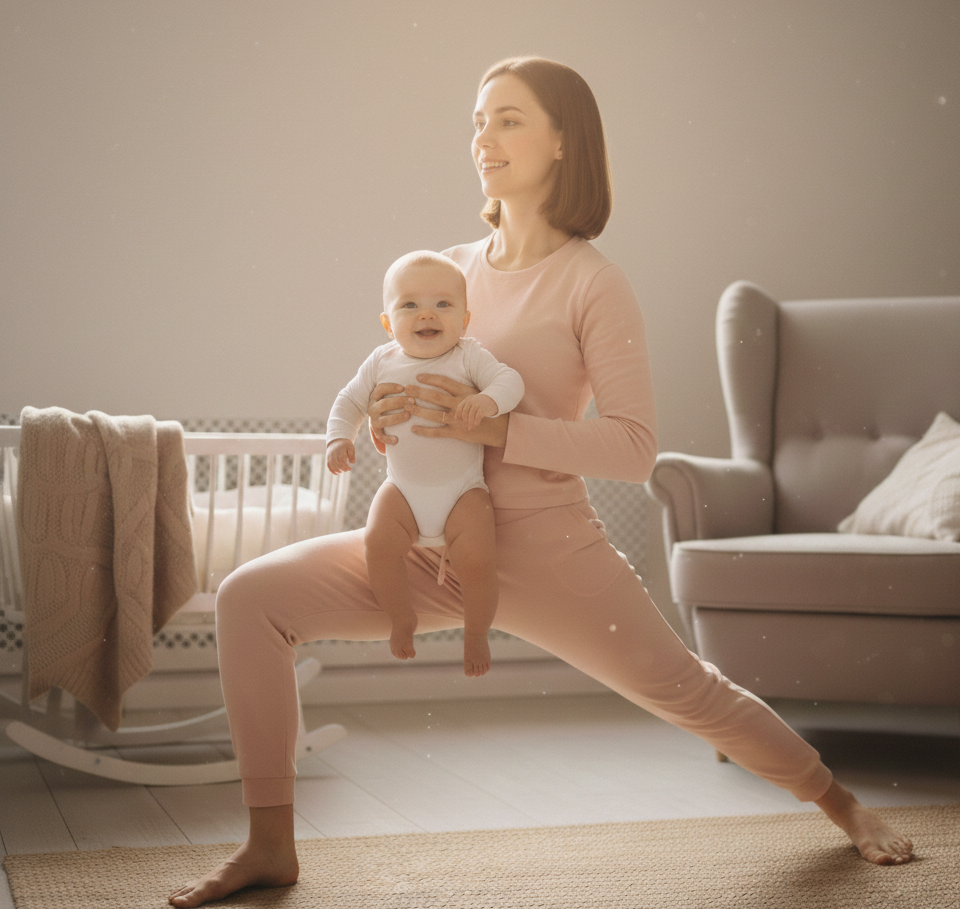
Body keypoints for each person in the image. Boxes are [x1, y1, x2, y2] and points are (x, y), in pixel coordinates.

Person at [169, 56, 913, 908]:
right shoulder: (448, 272)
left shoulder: (594, 282)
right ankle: (270, 846)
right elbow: (391, 377)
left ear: (564, 140)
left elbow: (633, 449)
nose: (483, 137)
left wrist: (500, 429)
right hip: (425, 544)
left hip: (544, 549)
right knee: (250, 600)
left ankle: (842, 803)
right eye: (477, 121)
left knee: (686, 690)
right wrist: (384, 419)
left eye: (509, 119)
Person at [325, 249, 524, 675]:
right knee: (378, 544)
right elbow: (349, 401)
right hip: (402, 490)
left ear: (465, 320)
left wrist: (487, 400)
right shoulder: (381, 361)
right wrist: (339, 438)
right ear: (387, 323)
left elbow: (510, 381)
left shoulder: (468, 356)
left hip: (463, 491)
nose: (426, 314)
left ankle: (476, 633)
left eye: (443, 304)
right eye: (410, 305)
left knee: (479, 562)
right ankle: (401, 617)